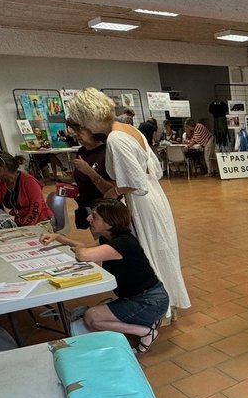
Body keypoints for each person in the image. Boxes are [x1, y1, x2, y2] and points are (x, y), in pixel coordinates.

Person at [66, 88, 191, 315]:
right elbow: (154, 169)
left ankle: (157, 307)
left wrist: (112, 192)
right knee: (159, 250)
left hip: (142, 201)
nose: (81, 130)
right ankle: (165, 304)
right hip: (153, 195)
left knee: (150, 251)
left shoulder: (115, 138)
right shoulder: (129, 128)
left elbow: (134, 184)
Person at [41, 199, 168, 354]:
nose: (89, 219)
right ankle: (146, 322)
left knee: (92, 318)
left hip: (149, 302)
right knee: (96, 312)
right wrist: (58, 237)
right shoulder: (111, 239)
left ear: (109, 224)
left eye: (95, 217)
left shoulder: (122, 244)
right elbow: (84, 248)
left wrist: (80, 250)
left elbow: (83, 254)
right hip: (142, 297)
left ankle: (145, 332)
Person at [67, 119, 114, 230]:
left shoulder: (107, 151)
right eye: (74, 131)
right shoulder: (81, 151)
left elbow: (112, 190)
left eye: (79, 130)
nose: (76, 134)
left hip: (106, 211)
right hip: (88, 207)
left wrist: (90, 172)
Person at [0, 151, 52, 226]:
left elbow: (36, 208)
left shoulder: (28, 181)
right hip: (21, 222)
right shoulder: (3, 182)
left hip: (40, 222)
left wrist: (26, 227)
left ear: (2, 166)